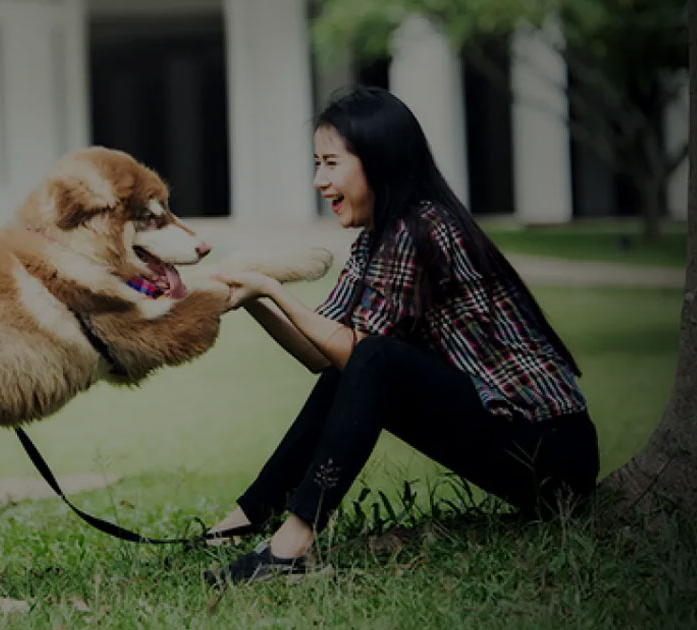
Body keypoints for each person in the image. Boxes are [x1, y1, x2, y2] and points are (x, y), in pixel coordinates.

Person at [205, 86, 599, 585]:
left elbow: (354, 348)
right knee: (354, 367)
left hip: (553, 452)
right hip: (519, 446)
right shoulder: (379, 238)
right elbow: (320, 354)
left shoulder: (421, 228)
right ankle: (245, 520)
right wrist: (256, 297)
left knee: (374, 358)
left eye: (330, 163)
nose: (318, 180)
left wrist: (270, 288)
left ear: (379, 160)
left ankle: (292, 546)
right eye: (316, 164)